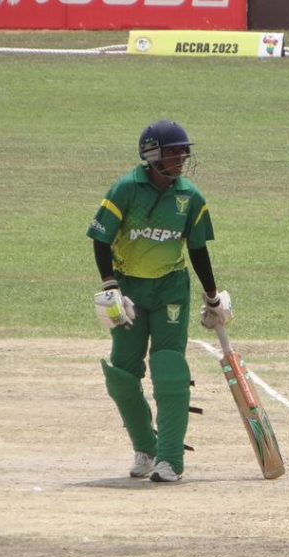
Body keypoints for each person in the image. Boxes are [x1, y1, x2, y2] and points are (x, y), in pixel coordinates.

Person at [87, 119, 233, 483]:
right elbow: (101, 239)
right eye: (174, 152)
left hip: (171, 289)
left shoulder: (190, 198)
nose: (182, 158)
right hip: (129, 289)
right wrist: (110, 285)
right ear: (152, 155)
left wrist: (213, 298)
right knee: (122, 375)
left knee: (168, 368)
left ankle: (170, 459)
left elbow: (198, 251)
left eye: (185, 151)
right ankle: (145, 448)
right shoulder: (125, 190)